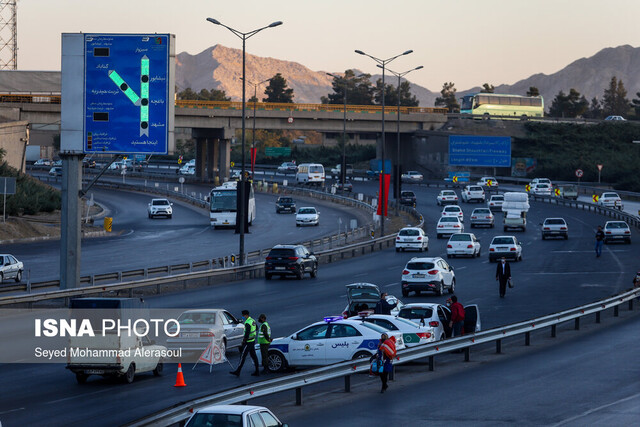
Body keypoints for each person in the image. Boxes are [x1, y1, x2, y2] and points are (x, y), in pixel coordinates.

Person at [229, 310, 260, 377]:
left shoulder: (247, 322)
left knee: (243, 356)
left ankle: (238, 371)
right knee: (254, 356)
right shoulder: (252, 320)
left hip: (248, 342)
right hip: (253, 340)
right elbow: (256, 328)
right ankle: (257, 371)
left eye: (243, 315)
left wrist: (244, 341)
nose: (242, 317)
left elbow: (247, 333)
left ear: (245, 315)